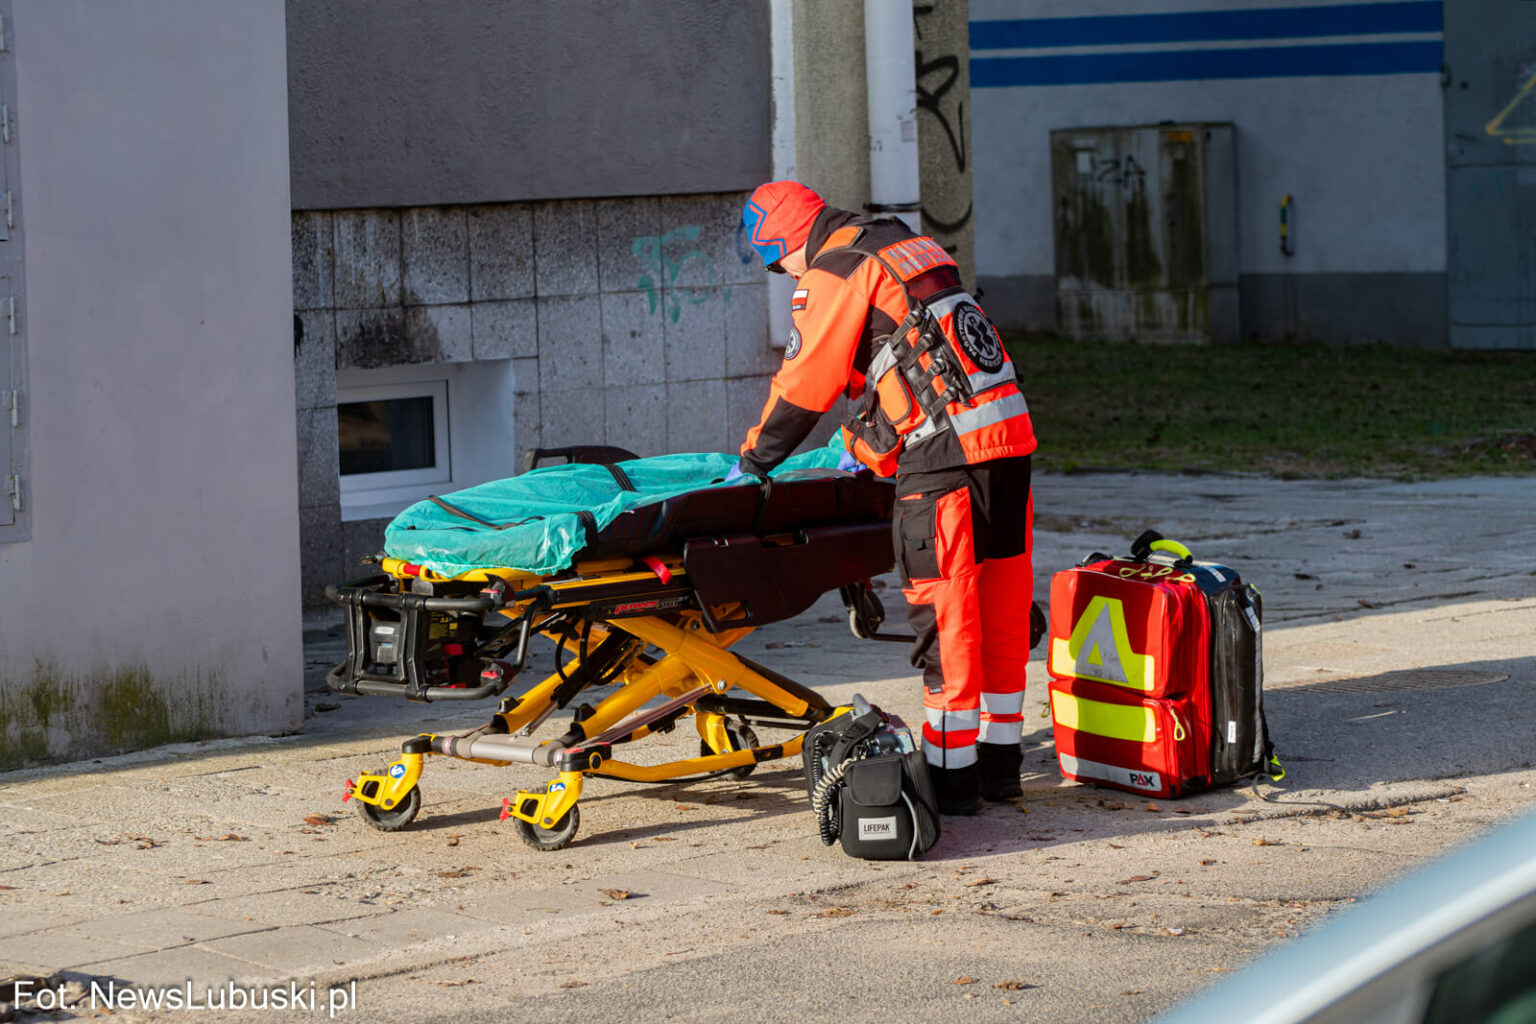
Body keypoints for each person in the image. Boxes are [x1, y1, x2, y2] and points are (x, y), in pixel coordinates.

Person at [733, 180, 1037, 815]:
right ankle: (1001, 766)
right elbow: (902, 346)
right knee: (1002, 607)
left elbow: (804, 386)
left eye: (776, 261)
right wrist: (863, 437)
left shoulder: (833, 270)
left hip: (942, 461)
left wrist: (754, 461)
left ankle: (953, 782)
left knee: (947, 620)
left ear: (784, 241)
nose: (784, 274)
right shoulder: (904, 244)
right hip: (1008, 441)